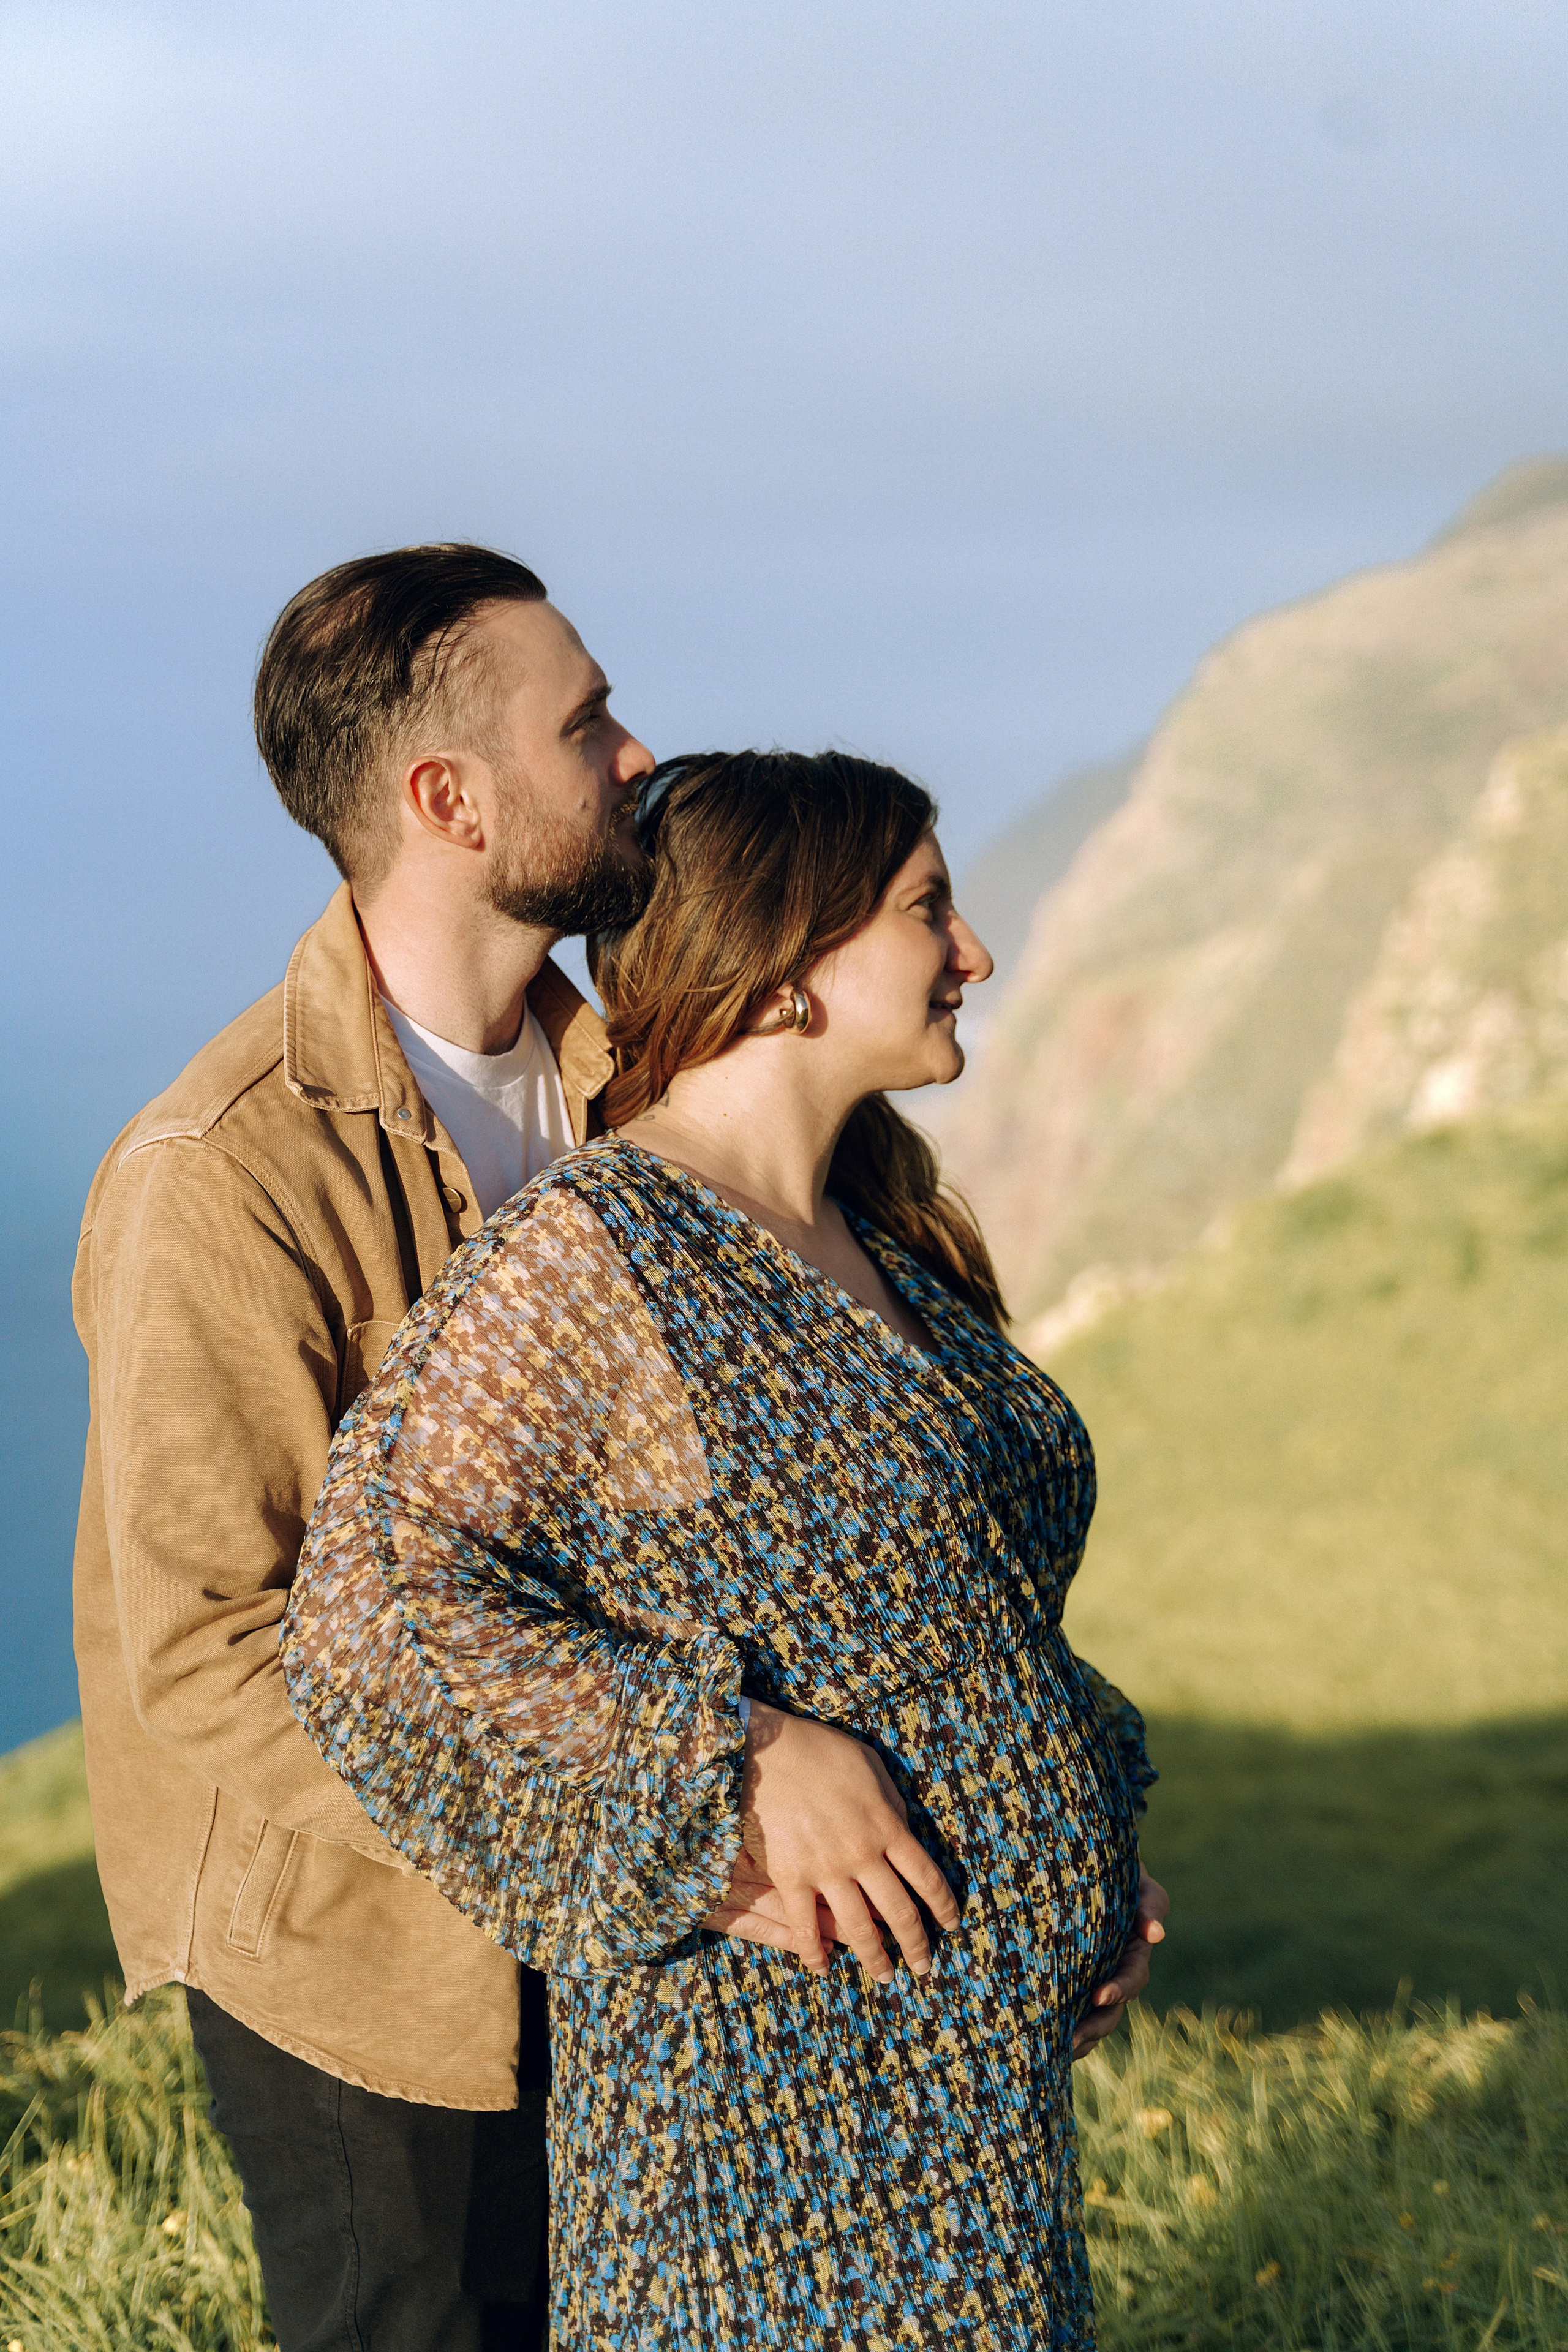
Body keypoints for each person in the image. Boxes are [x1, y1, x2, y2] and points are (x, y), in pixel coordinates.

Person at [282, 748, 1170, 2350]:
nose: (975, 952)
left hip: (966, 2127)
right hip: (765, 2141)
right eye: (927, 912)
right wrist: (728, 1756)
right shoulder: (604, 1255)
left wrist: (1090, 1824)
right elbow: (374, 1609)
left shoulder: (876, 1223)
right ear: (785, 971)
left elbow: (955, 1614)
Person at [70, 543, 656, 2351]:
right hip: (353, 1947)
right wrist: (607, 1820)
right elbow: (206, 1645)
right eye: (589, 722)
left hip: (617, 1887)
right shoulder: (222, 1176)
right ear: (447, 800)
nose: (638, 756)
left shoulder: (637, 1091)